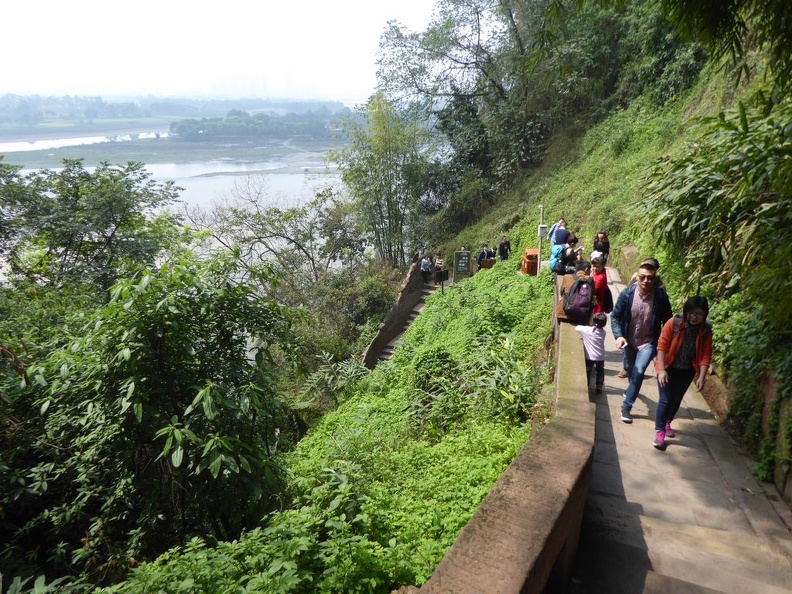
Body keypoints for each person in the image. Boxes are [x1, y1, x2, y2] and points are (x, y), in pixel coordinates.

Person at [611, 260, 673, 423]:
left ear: (655, 279)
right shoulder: (627, 294)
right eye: (643, 277)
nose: (646, 281)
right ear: (637, 277)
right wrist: (619, 335)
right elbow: (615, 316)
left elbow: (668, 321)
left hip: (648, 342)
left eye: (650, 278)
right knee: (632, 372)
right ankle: (633, 389)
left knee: (639, 371)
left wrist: (664, 344)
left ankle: (626, 406)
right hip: (629, 340)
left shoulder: (660, 297)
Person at [652, 296, 713, 450]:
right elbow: (662, 346)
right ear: (686, 312)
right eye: (691, 313)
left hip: (686, 371)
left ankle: (667, 423)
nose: (694, 317)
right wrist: (662, 370)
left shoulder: (706, 330)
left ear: (705, 314)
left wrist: (701, 376)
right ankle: (659, 432)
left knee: (676, 400)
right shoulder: (674, 323)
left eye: (699, 314)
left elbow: (706, 355)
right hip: (668, 367)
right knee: (665, 400)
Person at [575, 312, 608, 393]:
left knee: (588, 371)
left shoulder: (587, 330)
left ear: (593, 321)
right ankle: (599, 385)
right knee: (600, 371)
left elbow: (577, 328)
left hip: (589, 356)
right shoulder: (603, 333)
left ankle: (587, 384)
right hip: (600, 356)